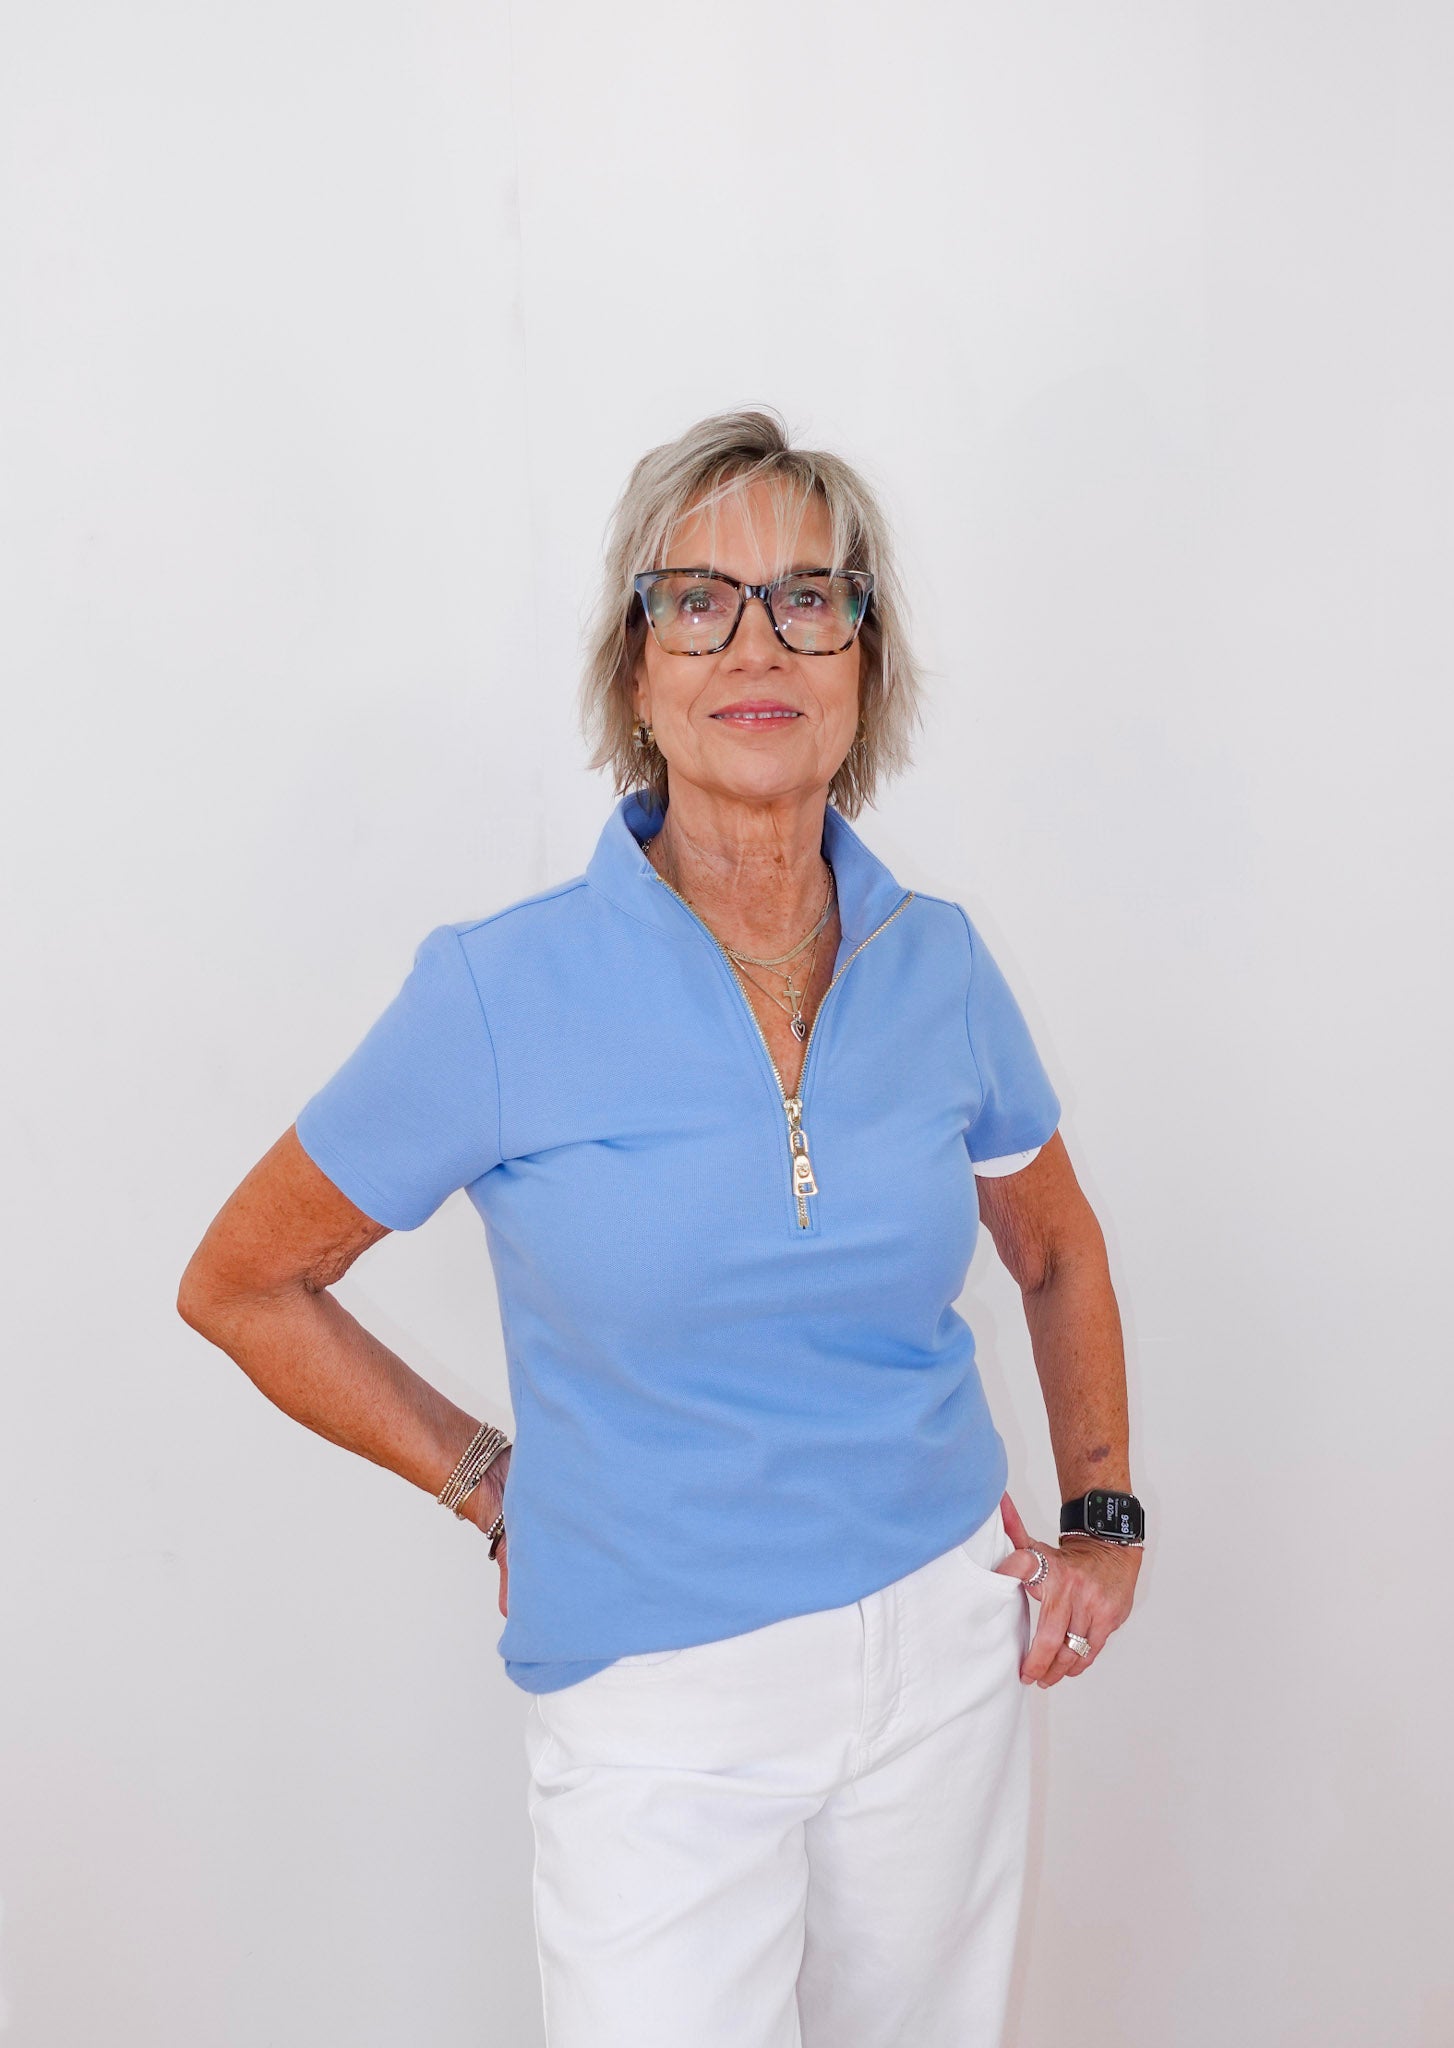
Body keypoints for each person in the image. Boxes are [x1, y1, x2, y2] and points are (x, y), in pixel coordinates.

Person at [177, 408, 1145, 2047]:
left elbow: (1053, 1248)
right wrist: (486, 1480)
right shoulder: (496, 992)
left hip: (940, 1647)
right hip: (653, 1700)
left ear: (864, 664)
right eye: (695, 600)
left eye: (808, 599)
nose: (754, 642)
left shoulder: (941, 963)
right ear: (635, 673)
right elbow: (246, 1281)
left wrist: (1103, 1517)